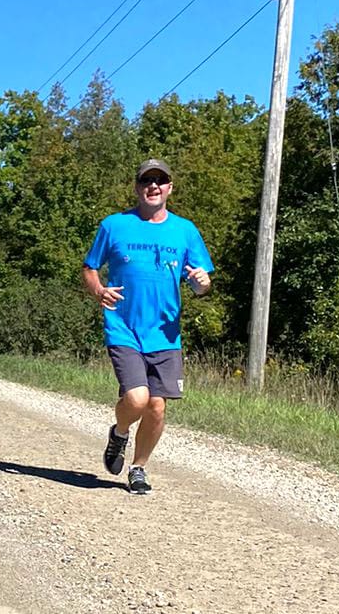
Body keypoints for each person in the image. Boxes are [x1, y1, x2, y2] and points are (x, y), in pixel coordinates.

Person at [81, 158, 212, 496]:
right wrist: (98, 290)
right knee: (137, 398)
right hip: (123, 326)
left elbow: (201, 284)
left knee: (157, 405)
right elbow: (90, 268)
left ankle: (138, 468)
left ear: (170, 187)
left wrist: (200, 281)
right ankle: (120, 432)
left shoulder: (185, 230)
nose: (153, 186)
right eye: (146, 181)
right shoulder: (114, 225)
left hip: (166, 334)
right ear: (137, 187)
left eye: (160, 180)